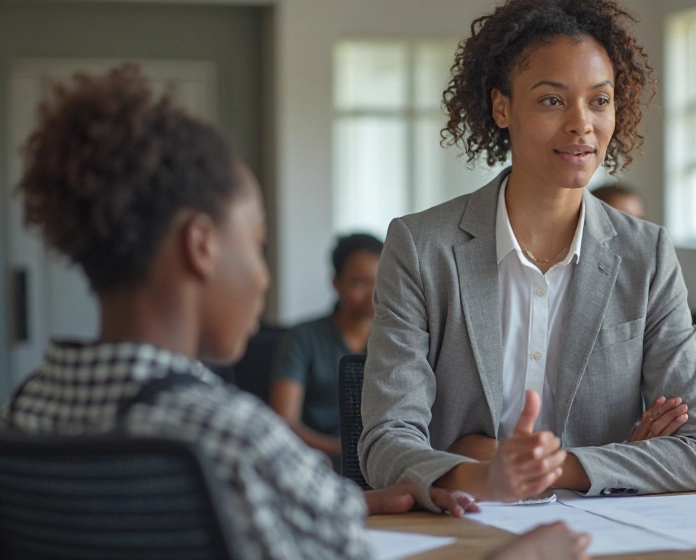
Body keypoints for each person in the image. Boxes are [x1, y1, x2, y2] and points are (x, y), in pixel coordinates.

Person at [0, 64, 590, 560]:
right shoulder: (231, 438)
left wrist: (337, 501)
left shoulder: (26, 410)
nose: (264, 276)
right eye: (255, 245)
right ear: (200, 246)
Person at [359, 0, 696, 512]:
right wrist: (483, 478)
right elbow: (385, 442)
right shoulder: (421, 247)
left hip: (603, 536)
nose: (582, 124)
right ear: (502, 107)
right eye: (552, 100)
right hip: (467, 528)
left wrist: (548, 467)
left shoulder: (648, 255)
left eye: (600, 100)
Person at [270, 233, 382, 459]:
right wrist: (343, 451)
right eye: (359, 282)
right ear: (336, 282)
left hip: (380, 463)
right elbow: (283, 421)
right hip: (316, 460)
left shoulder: (396, 340)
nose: (372, 294)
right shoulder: (302, 337)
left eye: (381, 281)